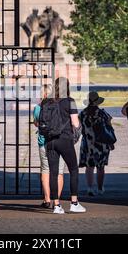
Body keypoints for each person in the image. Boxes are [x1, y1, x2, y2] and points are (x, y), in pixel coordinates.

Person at [45, 77, 86, 214]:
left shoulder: (46, 102)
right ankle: (74, 202)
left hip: (50, 140)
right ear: (67, 87)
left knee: (53, 173)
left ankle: (56, 205)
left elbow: (40, 123)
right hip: (65, 140)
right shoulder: (70, 102)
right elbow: (75, 123)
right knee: (73, 169)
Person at [33, 84, 65, 209]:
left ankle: (47, 200)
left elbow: (36, 123)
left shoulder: (38, 108)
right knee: (59, 172)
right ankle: (56, 201)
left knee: (45, 171)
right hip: (58, 141)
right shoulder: (59, 106)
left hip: (43, 142)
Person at [79, 91, 114, 196]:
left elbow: (79, 127)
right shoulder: (103, 113)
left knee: (89, 167)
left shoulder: (82, 114)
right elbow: (109, 127)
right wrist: (111, 142)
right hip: (101, 144)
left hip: (87, 144)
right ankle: (99, 188)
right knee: (100, 167)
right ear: (97, 102)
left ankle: (89, 188)